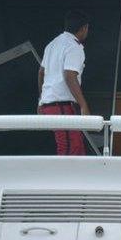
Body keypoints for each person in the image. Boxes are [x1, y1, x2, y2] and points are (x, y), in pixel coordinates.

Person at [38, 10, 91, 155]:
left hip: (50, 105)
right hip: (61, 105)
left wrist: (40, 100)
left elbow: (41, 72)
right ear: (84, 28)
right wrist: (83, 105)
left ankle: (78, 177)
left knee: (77, 147)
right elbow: (69, 76)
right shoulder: (74, 47)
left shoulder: (52, 44)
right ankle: (63, 178)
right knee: (69, 149)